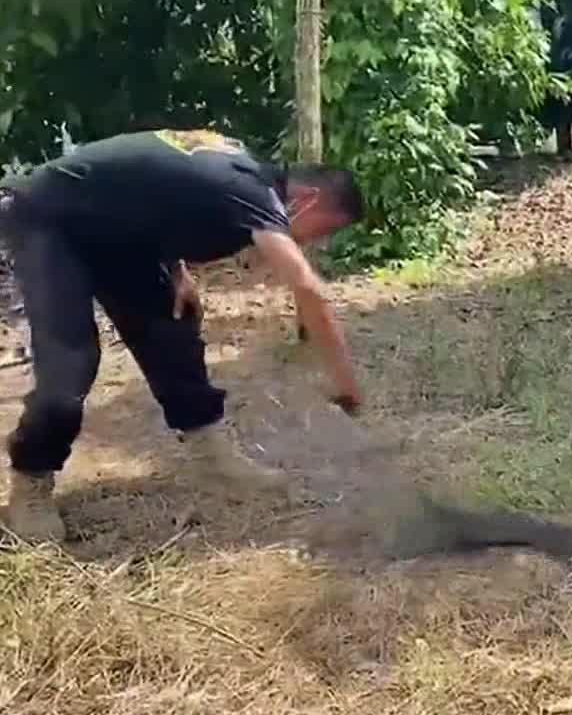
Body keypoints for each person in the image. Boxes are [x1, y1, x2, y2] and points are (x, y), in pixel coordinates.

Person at [0, 128, 365, 542]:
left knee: (173, 329)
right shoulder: (254, 194)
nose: (316, 239)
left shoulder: (238, 164)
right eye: (325, 229)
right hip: (49, 219)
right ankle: (30, 482)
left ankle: (211, 456)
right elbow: (307, 288)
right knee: (71, 365)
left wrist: (177, 271)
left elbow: (154, 190)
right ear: (308, 200)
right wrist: (346, 386)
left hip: (115, 233)